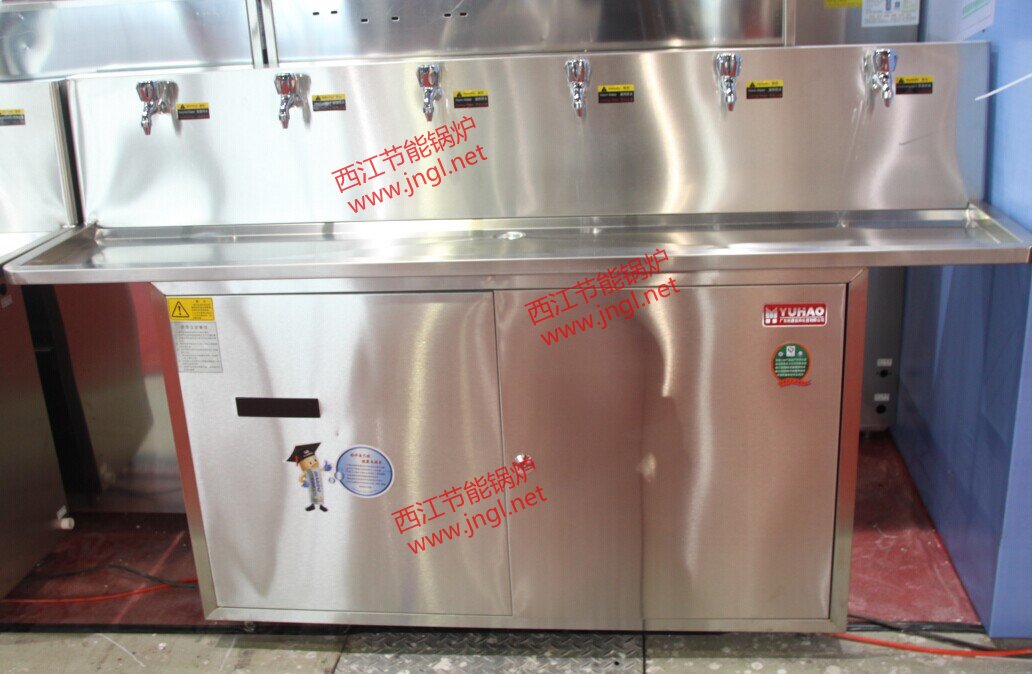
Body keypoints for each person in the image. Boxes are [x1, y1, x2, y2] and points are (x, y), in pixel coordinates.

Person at [286, 443, 328, 512]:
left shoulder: (317, 469)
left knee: (320, 491)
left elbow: (321, 470)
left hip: (318, 483)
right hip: (312, 484)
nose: (314, 462)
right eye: (310, 462)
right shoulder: (306, 472)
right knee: (312, 492)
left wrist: (325, 468)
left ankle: (321, 505)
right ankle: (312, 505)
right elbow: (301, 478)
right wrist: (304, 481)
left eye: (315, 460)